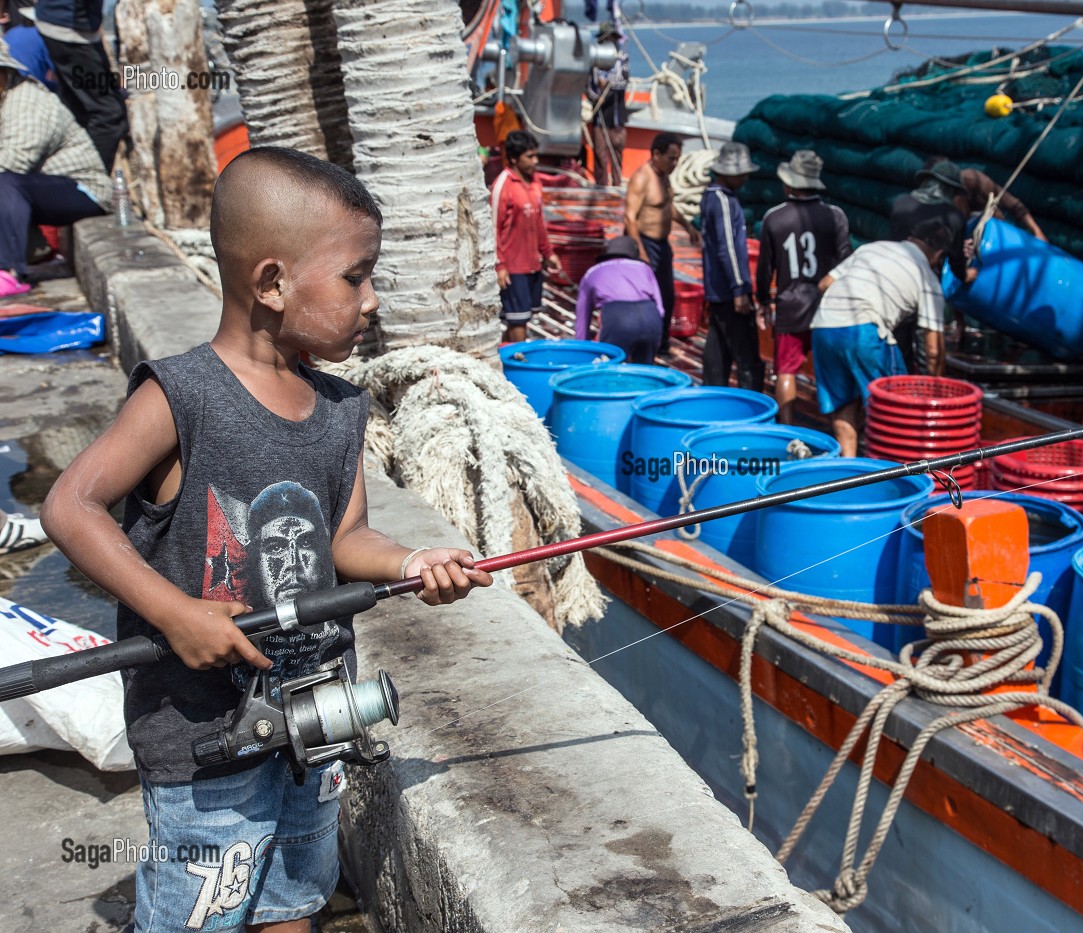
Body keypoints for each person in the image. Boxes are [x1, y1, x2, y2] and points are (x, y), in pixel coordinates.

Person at [40, 146, 493, 933]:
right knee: (203, 908)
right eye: (356, 276)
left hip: (314, 722)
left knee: (297, 894)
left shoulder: (341, 408)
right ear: (273, 283)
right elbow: (71, 505)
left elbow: (344, 537)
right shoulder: (180, 396)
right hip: (203, 739)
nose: (372, 299)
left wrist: (412, 563)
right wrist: (176, 611)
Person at [811, 220, 951, 456]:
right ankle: (891, 470)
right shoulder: (928, 279)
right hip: (864, 330)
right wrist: (934, 395)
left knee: (842, 403)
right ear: (938, 253)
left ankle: (847, 470)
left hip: (824, 325)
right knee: (895, 406)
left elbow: (824, 284)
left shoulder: (871, 248)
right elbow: (934, 350)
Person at [0, 36, 109, 297]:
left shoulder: (27, 100)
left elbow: (13, 162)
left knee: (3, 182)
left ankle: (10, 271)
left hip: (84, 190)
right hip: (35, 191)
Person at [755, 149, 850, 423]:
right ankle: (838, 428)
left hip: (790, 305)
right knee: (831, 373)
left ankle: (787, 426)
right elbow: (845, 262)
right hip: (827, 306)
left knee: (785, 370)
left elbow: (765, 270)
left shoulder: (774, 217)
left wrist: (764, 301)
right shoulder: (836, 215)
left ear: (789, 183)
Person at [33, 0, 127, 171]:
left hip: (65, 24)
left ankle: (61, 179)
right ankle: (88, 184)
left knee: (75, 112)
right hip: (69, 28)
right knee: (109, 114)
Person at [625, 131, 696, 355]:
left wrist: (688, 226)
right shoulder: (641, 177)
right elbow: (630, 217)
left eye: (677, 159)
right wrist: (641, 251)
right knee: (646, 299)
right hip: (646, 243)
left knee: (667, 295)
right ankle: (642, 346)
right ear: (656, 154)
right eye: (671, 158)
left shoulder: (663, 176)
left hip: (663, 244)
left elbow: (667, 207)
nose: (674, 163)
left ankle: (662, 344)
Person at [699, 141, 761, 391]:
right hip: (728, 289)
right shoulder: (723, 201)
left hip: (716, 288)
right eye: (742, 173)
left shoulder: (710, 196)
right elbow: (727, 247)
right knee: (747, 356)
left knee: (717, 348)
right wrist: (739, 288)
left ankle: (712, 392)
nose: (746, 177)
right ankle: (754, 405)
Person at [491, 130, 561, 344]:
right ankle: (520, 365)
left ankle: (505, 353)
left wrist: (548, 253)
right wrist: (500, 265)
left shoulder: (535, 182)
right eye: (529, 157)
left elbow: (539, 221)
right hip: (513, 268)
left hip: (533, 264)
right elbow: (492, 227)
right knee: (517, 321)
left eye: (535, 155)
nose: (535, 161)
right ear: (514, 158)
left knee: (523, 318)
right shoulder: (502, 185)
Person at [891, 155, 1046, 244]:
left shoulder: (974, 181)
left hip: (995, 236)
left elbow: (1014, 205)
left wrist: (1037, 232)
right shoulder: (923, 205)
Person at [574, 235, 664, 363]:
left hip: (618, 317)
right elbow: (660, 308)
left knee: (612, 370)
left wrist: (581, 352)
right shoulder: (644, 268)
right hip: (651, 316)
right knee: (644, 372)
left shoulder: (592, 272)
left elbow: (582, 319)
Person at [586, 22, 629, 188]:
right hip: (599, 116)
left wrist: (608, 86)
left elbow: (623, 81)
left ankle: (617, 186)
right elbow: (588, 85)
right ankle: (601, 187)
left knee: (616, 154)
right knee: (600, 154)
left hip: (617, 115)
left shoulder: (622, 58)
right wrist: (597, 98)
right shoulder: (594, 60)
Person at [2, 3, 57, 90]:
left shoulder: (12, 31)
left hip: (6, 80)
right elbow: (58, 73)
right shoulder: (45, 37)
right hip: (25, 85)